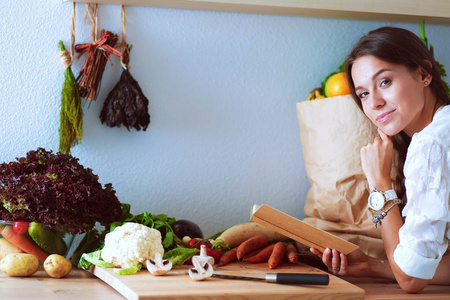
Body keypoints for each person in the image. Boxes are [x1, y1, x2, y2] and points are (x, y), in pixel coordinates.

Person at [310, 26, 450, 293]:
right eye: (363, 93)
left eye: (384, 82)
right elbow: (419, 270)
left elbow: (411, 281)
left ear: (423, 74)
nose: (374, 102)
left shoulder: (431, 144)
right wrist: (373, 267)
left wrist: (380, 183)